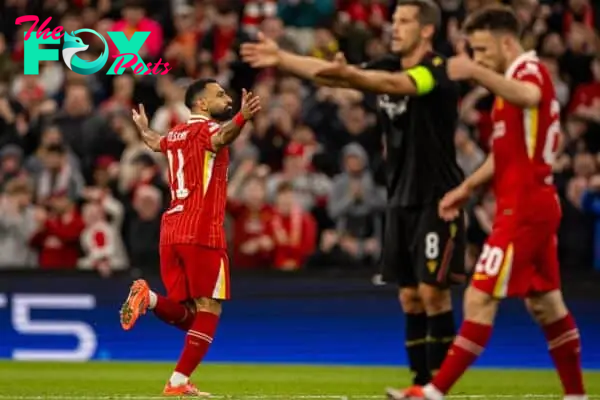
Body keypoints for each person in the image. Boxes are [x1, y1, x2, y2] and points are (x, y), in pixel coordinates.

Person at [241, 0, 466, 386]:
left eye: (404, 21)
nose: (394, 28)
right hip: (399, 197)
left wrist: (353, 77)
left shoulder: (437, 70)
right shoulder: (384, 65)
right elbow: (333, 76)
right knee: (409, 298)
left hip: (438, 197)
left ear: (426, 30)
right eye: (393, 20)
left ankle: (438, 390)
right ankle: (420, 383)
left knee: (434, 295)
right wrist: (282, 58)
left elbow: (397, 86)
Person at [387, 5, 587, 400]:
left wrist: (477, 73)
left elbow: (530, 96)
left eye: (482, 50)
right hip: (531, 205)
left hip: (524, 209)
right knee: (547, 305)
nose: (477, 59)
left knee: (480, 295)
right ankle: (577, 395)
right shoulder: (508, 81)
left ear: (507, 42)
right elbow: (504, 155)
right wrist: (466, 190)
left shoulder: (527, 73)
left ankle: (433, 392)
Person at [119, 79, 261, 397]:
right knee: (210, 308)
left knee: (193, 316)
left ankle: (150, 298)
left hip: (171, 231)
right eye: (220, 95)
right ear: (200, 104)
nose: (227, 98)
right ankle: (178, 381)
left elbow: (154, 142)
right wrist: (242, 118)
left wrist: (142, 128)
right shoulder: (205, 130)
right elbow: (223, 135)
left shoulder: (176, 134)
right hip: (202, 231)